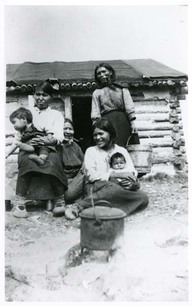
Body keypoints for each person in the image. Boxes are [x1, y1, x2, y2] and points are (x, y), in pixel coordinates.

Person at [64, 118, 148, 220]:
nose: (97, 137)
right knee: (113, 188)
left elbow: (131, 171)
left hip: (118, 187)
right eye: (95, 135)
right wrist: (114, 175)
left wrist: (133, 183)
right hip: (95, 186)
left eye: (101, 134)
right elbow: (90, 176)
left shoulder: (121, 150)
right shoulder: (91, 151)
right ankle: (79, 206)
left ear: (110, 133)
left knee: (143, 197)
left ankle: (103, 209)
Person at [9, 80, 68, 218]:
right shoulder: (27, 112)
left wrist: (49, 140)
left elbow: (59, 136)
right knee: (26, 159)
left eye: (45, 95)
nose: (41, 98)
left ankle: (59, 201)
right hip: (28, 146)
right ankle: (20, 204)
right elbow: (19, 132)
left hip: (48, 146)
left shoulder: (56, 115)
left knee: (53, 161)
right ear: (34, 95)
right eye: (38, 94)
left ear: (51, 97)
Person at [91, 62, 140, 147]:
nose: (102, 75)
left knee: (127, 145)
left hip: (123, 122)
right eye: (99, 73)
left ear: (110, 72)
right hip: (107, 123)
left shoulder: (122, 88)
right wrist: (99, 128)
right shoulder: (97, 93)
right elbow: (95, 113)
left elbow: (129, 106)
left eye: (104, 71)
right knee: (111, 146)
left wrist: (132, 124)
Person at [57, 118, 85, 204]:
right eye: (65, 128)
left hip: (79, 177)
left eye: (70, 129)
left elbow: (84, 162)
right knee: (68, 195)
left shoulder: (76, 145)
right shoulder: (57, 146)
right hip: (66, 180)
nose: (68, 132)